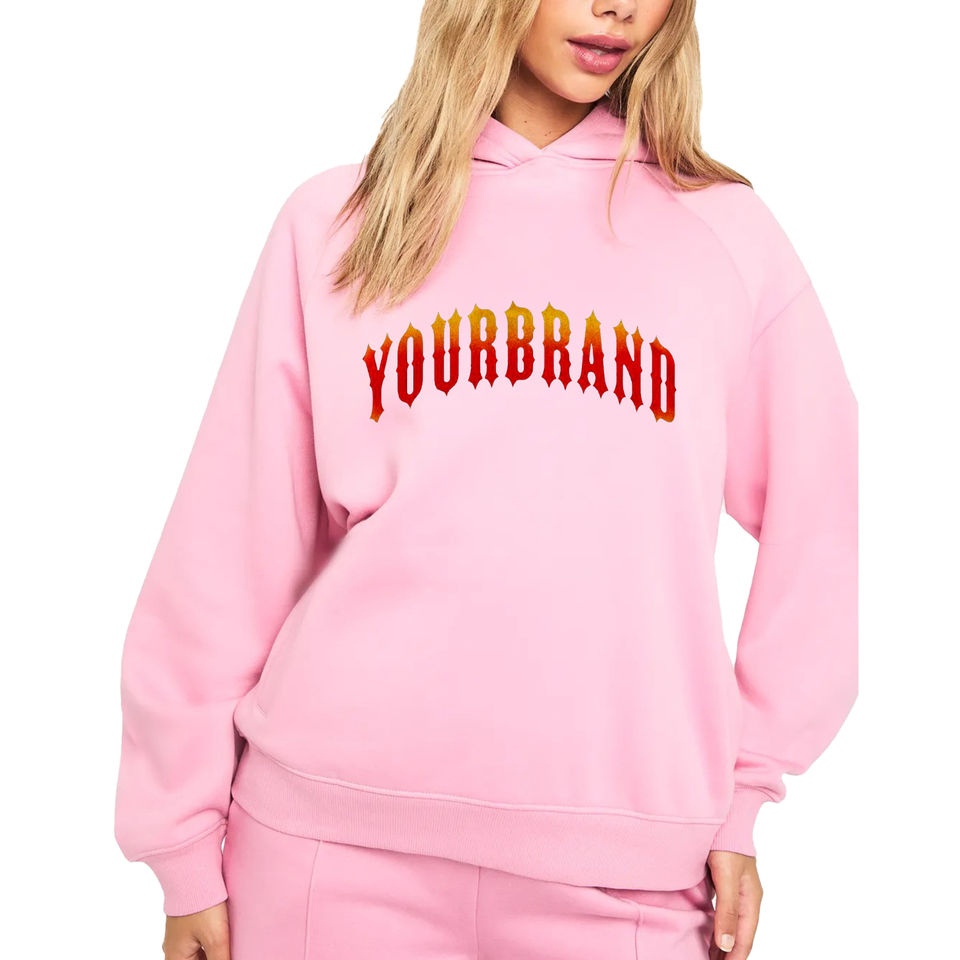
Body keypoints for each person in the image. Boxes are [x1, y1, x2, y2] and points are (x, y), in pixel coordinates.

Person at [113, 1, 859, 958]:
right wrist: (180, 846)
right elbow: (226, 548)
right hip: (326, 851)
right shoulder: (340, 222)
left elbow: (820, 526)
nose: (620, 7)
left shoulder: (724, 236)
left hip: (626, 875)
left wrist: (749, 785)